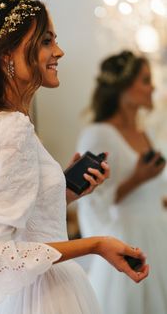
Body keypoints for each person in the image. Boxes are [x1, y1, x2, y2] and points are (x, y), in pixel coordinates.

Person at [0, 0, 149, 314]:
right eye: (46, 41)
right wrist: (97, 244)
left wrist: (61, 191)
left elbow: (21, 223)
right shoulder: (9, 127)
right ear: (8, 53)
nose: (59, 51)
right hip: (42, 297)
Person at [77, 50, 167, 314]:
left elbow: (157, 189)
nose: (153, 87)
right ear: (124, 87)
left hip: (158, 230)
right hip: (128, 236)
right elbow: (91, 198)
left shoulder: (148, 133)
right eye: (146, 80)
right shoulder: (97, 135)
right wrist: (136, 179)